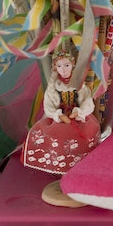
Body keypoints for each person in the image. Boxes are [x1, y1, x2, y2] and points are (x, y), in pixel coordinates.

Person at [21, 45, 100, 174]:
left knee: (89, 132)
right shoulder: (53, 87)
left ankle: (83, 165)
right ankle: (58, 165)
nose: (63, 69)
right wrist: (58, 115)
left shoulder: (80, 85)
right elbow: (48, 106)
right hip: (58, 118)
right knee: (54, 135)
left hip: (77, 116)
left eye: (66, 65)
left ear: (72, 66)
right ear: (55, 68)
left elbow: (88, 102)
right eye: (59, 66)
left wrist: (79, 112)